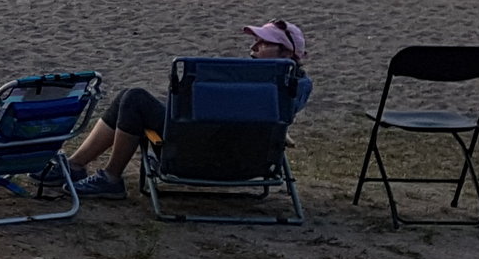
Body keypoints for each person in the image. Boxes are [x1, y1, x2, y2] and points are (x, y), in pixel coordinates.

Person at [64, 19, 312, 195]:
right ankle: (75, 166)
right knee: (130, 98)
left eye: (264, 43)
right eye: (256, 41)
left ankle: (108, 177)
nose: (254, 47)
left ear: (288, 52)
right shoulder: (295, 88)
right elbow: (275, 119)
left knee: (134, 99)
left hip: (196, 155)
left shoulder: (238, 79)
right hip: (249, 162)